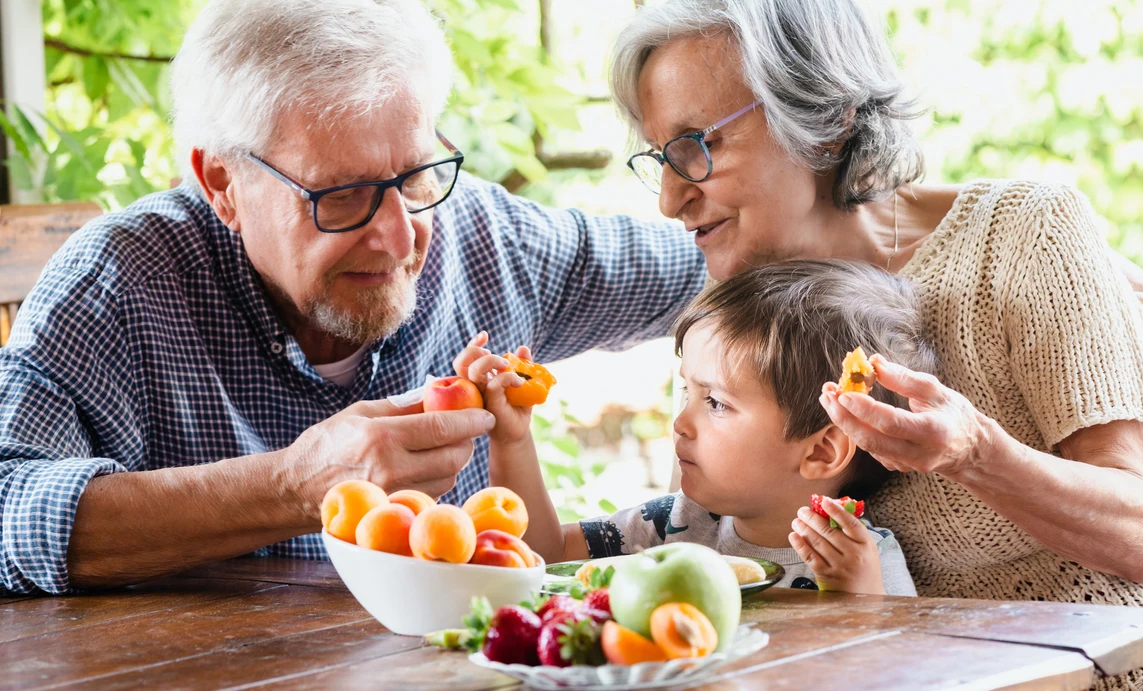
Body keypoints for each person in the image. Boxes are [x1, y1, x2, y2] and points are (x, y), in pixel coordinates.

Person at [609, 0, 1143, 691]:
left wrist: (974, 453)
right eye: (659, 158)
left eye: (696, 146)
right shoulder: (739, 310)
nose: (673, 197)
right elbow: (710, 542)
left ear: (828, 118)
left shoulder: (1022, 234)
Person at [0, 0, 706, 595]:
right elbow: (8, 509)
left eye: (417, 175)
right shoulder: (119, 283)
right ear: (221, 183)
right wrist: (291, 486)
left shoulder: (491, 242)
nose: (400, 236)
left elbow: (714, 264)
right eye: (343, 196)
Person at [456, 260, 930, 595]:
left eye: (716, 402)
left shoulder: (862, 560)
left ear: (822, 451)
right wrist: (512, 438)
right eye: (688, 393)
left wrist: (862, 600)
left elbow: (894, 682)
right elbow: (545, 554)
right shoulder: (678, 524)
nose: (681, 422)